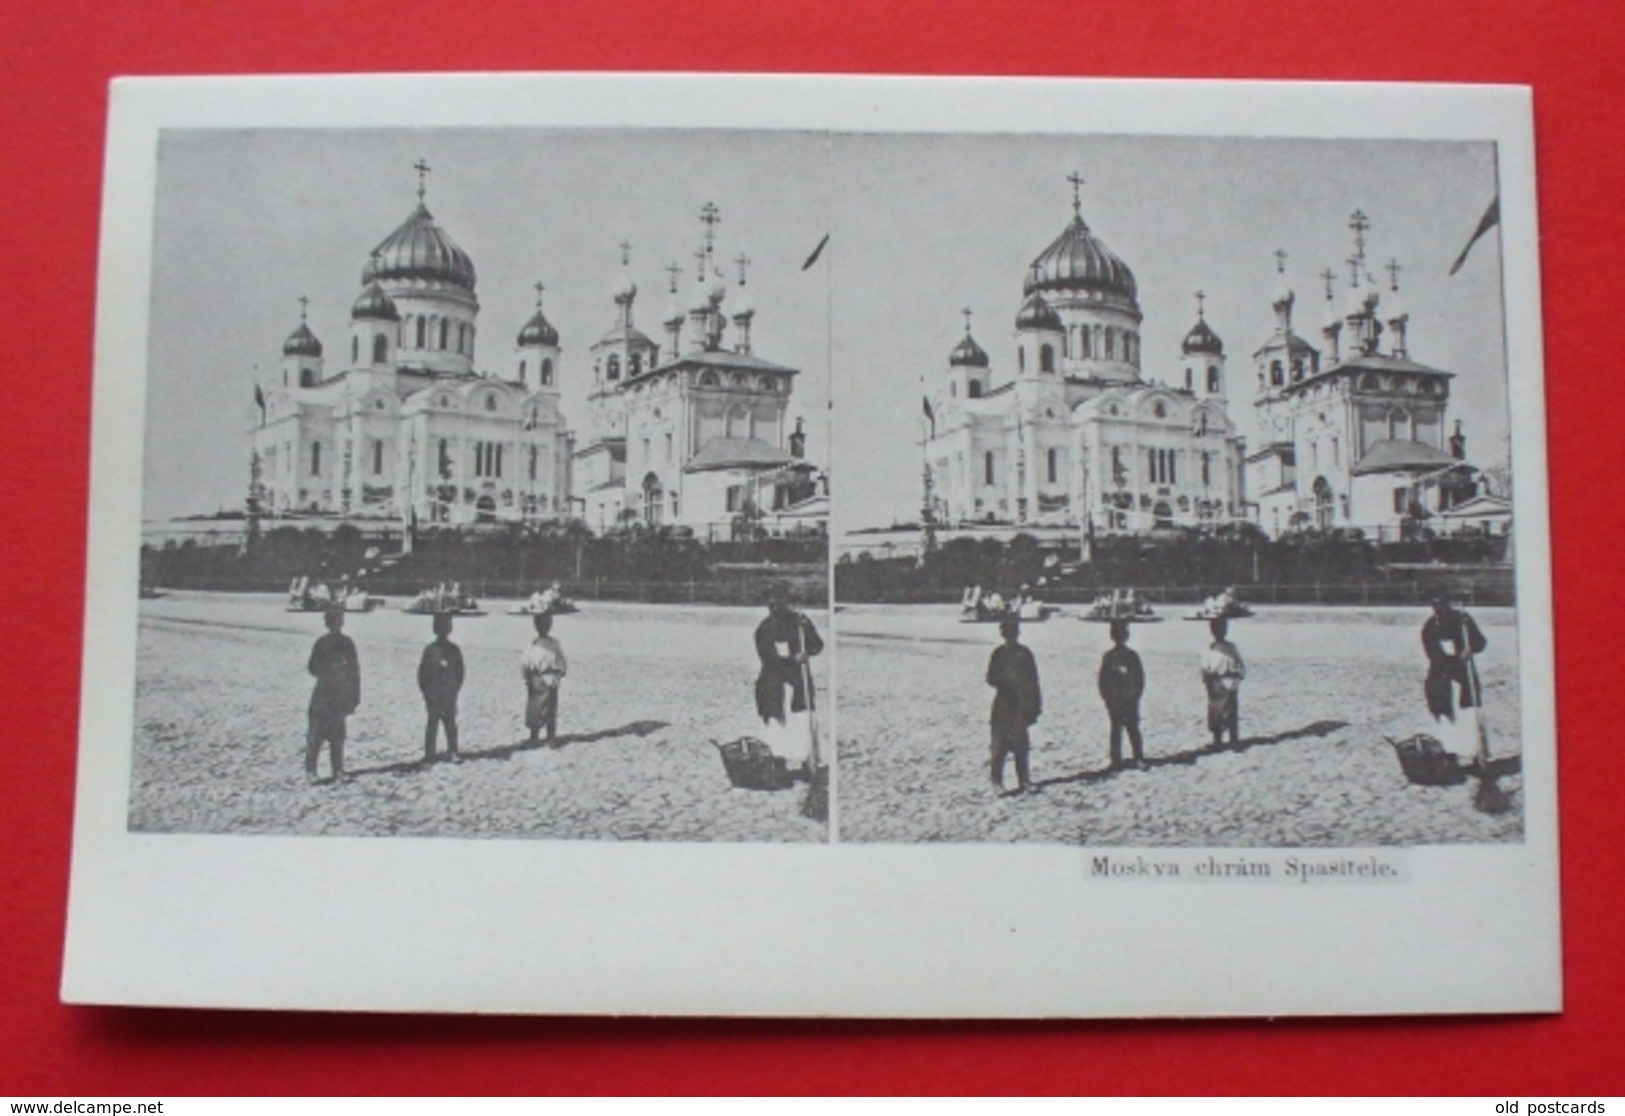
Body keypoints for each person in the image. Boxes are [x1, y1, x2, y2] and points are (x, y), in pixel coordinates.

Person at [754, 586, 825, 772]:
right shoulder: (765, 629)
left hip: (798, 681)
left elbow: (817, 644)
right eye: (772, 604)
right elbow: (768, 658)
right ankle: (779, 761)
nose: (776, 607)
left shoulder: (801, 623)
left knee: (802, 719)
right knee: (777, 723)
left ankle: (805, 761)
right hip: (775, 682)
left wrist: (807, 652)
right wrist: (792, 660)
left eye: (780, 603)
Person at [986, 616, 1042, 795]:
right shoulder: (998, 654)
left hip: (1020, 704)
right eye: (1007, 632)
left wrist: (1035, 706)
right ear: (1002, 633)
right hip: (1003, 704)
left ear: (1017, 633)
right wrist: (1006, 679)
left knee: (1021, 746)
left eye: (1013, 632)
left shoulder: (1025, 654)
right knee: (999, 747)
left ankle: (1024, 780)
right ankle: (997, 781)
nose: (1010, 636)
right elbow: (990, 678)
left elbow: (1034, 681)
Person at [1422, 590, 1489, 734]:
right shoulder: (1430, 627)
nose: (1438, 608)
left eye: (1441, 604)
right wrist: (1449, 660)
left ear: (1448, 604)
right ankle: (1446, 730)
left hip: (1463, 668)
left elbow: (1481, 642)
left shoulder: (1462, 620)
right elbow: (1433, 654)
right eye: (1435, 604)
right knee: (1436, 691)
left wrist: (1470, 649)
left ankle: (1472, 734)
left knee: (1470, 698)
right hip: (1441, 668)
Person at [305, 608, 360, 783]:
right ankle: (311, 771)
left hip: (339, 694)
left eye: (340, 620)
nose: (338, 623)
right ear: (329, 623)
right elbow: (313, 668)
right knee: (316, 735)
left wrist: (354, 696)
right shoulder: (322, 643)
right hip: (323, 694)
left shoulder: (347, 643)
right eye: (335, 620)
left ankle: (338, 770)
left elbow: (354, 671)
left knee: (338, 735)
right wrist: (330, 669)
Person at [1098, 618, 1146, 769]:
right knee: (1116, 730)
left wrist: (1134, 696)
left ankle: (1138, 757)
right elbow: (1103, 681)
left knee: (1133, 729)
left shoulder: (1132, 657)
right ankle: (1116, 759)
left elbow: (1139, 680)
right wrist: (1108, 699)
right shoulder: (1109, 657)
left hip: (1130, 700)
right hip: (1115, 700)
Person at [418, 613, 465, 763]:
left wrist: (455, 689)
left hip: (448, 693)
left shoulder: (454, 650)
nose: (444, 630)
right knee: (432, 723)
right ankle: (429, 753)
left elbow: (460, 672)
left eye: (446, 626)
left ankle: (453, 750)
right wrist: (426, 692)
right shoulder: (430, 650)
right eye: (440, 627)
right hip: (433, 694)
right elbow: (422, 673)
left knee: (450, 722)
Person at [521, 611, 567, 746]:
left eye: (547, 624)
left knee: (550, 708)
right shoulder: (533, 644)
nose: (544, 627)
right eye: (541, 624)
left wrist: (559, 672)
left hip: (550, 677)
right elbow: (526, 661)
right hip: (536, 677)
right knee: (534, 707)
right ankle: (534, 735)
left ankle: (550, 736)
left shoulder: (554, 643)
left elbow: (560, 660)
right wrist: (526, 676)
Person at [1200, 616, 1245, 750]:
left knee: (1230, 711)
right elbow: (1204, 667)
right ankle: (1218, 740)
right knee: (1215, 712)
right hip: (1216, 681)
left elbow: (1239, 664)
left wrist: (1237, 677)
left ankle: (1233, 740)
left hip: (1228, 680)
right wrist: (1206, 680)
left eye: (1221, 628)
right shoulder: (1210, 648)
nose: (1219, 632)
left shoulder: (1231, 647)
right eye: (1216, 629)